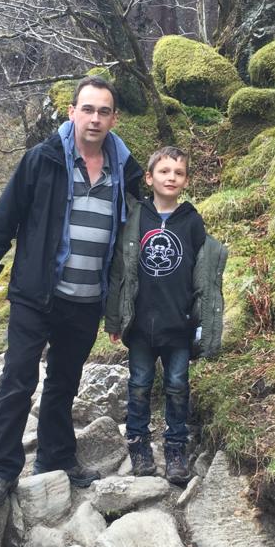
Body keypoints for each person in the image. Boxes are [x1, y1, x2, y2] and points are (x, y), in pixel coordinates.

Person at [0, 76, 143, 507]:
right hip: (36, 293)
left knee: (64, 382)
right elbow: (3, 219)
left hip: (87, 298)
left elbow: (138, 232)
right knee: (18, 378)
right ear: (72, 112)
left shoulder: (126, 171)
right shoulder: (42, 159)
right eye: (88, 109)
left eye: (104, 111)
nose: (95, 118)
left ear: (114, 119)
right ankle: (2, 469)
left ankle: (56, 458)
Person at [105, 146, 227, 485]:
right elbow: (119, 272)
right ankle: (139, 445)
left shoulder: (191, 220)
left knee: (177, 386)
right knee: (139, 385)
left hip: (178, 324)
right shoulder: (136, 217)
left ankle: (176, 448)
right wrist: (114, 319)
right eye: (164, 171)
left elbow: (204, 277)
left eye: (178, 173)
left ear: (186, 180)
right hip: (140, 324)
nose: (171, 177)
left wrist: (203, 323)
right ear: (149, 178)